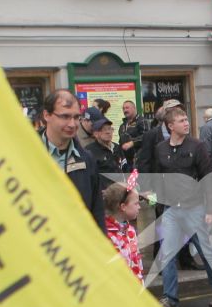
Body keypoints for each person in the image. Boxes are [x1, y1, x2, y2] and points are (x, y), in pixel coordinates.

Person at [136, 105, 212, 307]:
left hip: (195, 208)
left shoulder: (197, 146)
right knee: (167, 255)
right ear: (170, 126)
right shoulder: (160, 148)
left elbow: (207, 178)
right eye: (181, 121)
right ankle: (170, 298)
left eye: (187, 120)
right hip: (171, 209)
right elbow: (156, 176)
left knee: (206, 252)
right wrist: (152, 196)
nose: (186, 123)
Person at [40, 89, 106, 228]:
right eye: (65, 116)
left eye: (76, 117)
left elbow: (97, 212)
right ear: (47, 115)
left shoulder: (87, 160)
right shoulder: (28, 154)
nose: (72, 124)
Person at [102, 182, 144, 282]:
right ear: (123, 207)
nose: (139, 207)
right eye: (136, 203)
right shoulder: (107, 235)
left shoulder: (130, 230)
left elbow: (137, 262)